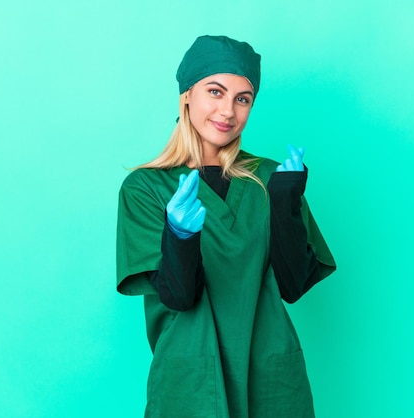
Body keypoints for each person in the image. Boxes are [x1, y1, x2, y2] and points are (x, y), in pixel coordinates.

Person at [116, 35, 336, 418]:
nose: (228, 111)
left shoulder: (271, 179)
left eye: (243, 98)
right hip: (191, 380)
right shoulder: (146, 188)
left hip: (270, 381)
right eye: (215, 91)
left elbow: (293, 287)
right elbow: (179, 298)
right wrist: (180, 236)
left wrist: (285, 206)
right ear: (187, 94)